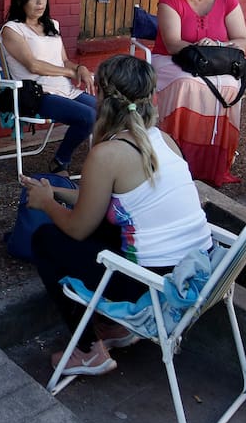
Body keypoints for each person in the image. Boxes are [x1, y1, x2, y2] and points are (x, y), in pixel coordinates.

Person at [22, 55, 213, 376]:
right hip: (190, 271)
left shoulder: (107, 154)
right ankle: (117, 328)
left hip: (152, 289)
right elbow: (113, 202)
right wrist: (54, 192)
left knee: (46, 239)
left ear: (102, 99)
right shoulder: (162, 141)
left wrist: (46, 204)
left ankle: (87, 351)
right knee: (110, 226)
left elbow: (78, 228)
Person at [149, 0, 246, 186]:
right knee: (188, 82)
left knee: (231, 85)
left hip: (215, 61)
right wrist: (199, 49)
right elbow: (173, 43)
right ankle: (177, 156)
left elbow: (242, 39)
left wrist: (218, 46)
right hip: (173, 60)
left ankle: (214, 162)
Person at [0, 0, 98, 174]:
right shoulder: (12, 30)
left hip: (66, 89)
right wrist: (70, 71)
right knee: (87, 116)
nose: (39, 1)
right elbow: (33, 65)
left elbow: (64, 60)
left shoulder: (51, 25)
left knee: (109, 111)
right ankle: (61, 161)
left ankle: (109, 163)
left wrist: (79, 68)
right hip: (38, 94)